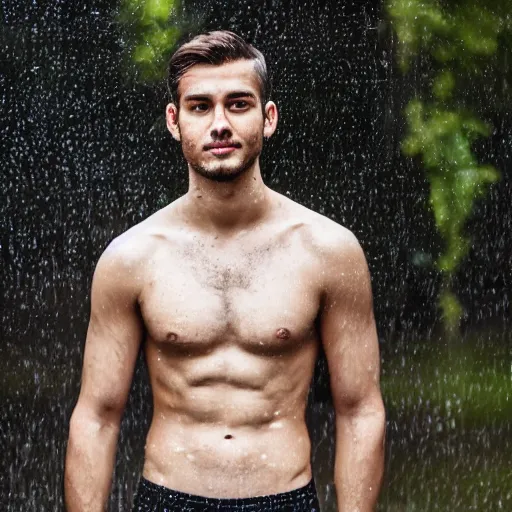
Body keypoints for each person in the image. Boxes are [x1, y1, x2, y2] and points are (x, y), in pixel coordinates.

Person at [64, 30, 385, 512]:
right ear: (174, 121)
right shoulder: (131, 258)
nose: (219, 124)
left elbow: (360, 411)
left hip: (285, 499)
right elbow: (96, 417)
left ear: (268, 117)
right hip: (167, 498)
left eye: (238, 104)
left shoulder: (327, 251)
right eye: (199, 106)